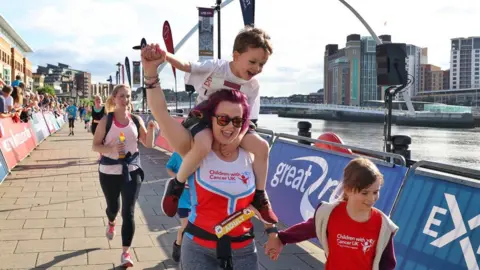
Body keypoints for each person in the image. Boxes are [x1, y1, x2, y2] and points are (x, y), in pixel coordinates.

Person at [142, 46, 278, 269]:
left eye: (237, 121)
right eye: (223, 120)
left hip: (243, 251)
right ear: (211, 118)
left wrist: (272, 232)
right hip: (198, 250)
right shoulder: (195, 148)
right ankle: (175, 187)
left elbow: (257, 199)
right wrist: (150, 72)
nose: (230, 128)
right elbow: (162, 114)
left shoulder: (248, 152)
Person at [159, 26, 277, 224]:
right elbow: (187, 65)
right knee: (203, 146)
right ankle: (177, 185)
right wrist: (165, 56)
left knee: (262, 147)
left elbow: (248, 119)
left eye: (262, 64)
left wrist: (236, 139)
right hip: (204, 116)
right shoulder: (216, 67)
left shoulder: (253, 86)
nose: (257, 69)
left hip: (236, 122)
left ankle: (259, 195)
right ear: (236, 56)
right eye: (253, 62)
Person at [264, 157, 398, 270]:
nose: (371, 198)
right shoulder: (329, 214)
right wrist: (280, 239)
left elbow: (388, 264)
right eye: (364, 193)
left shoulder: (383, 225)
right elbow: (305, 229)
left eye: (375, 192)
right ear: (347, 189)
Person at [92, 84, 158, 268]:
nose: (126, 100)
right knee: (113, 207)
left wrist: (151, 129)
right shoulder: (107, 120)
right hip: (109, 172)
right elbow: (95, 145)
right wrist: (111, 149)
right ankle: (111, 221)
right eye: (122, 96)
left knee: (128, 212)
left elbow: (149, 143)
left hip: (132, 170)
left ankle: (125, 253)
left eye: (128, 96)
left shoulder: (136, 120)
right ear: (114, 98)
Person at [165, 152, 191, 262]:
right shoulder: (177, 154)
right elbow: (168, 168)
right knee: (185, 225)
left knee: (193, 226)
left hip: (196, 198)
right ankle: (177, 247)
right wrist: (177, 178)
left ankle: (190, 250)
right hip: (182, 199)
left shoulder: (199, 153)